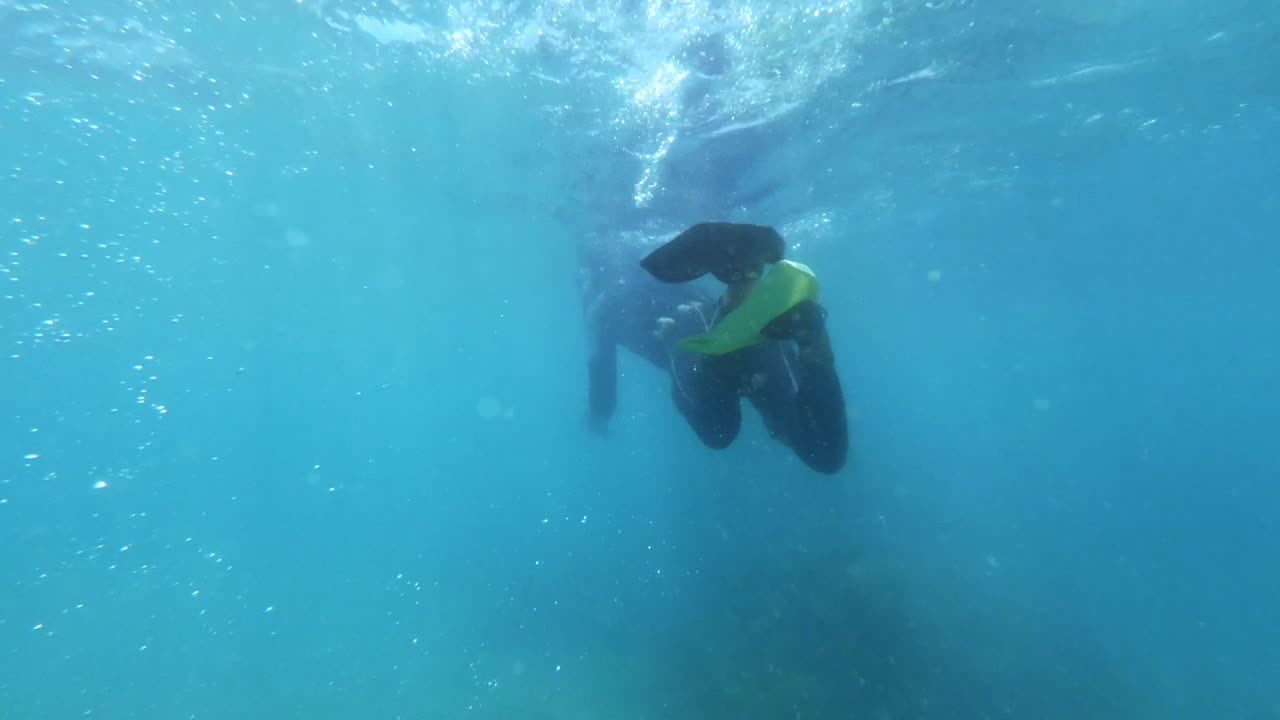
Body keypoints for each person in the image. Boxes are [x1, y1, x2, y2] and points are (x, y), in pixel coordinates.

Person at [579, 222, 848, 474]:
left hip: (692, 340)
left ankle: (737, 292)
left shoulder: (602, 306)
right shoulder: (632, 291)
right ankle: (797, 323)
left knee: (718, 432)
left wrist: (599, 413)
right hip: (736, 326)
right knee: (826, 455)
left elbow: (602, 366)